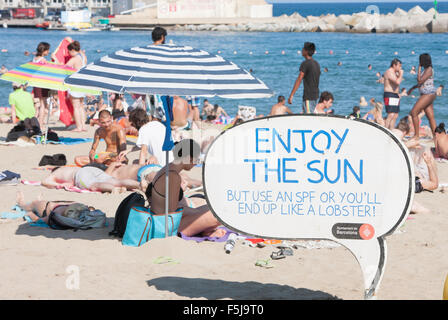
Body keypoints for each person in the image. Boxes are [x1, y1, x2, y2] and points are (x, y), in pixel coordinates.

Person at [145, 139, 225, 238]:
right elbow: (172, 214)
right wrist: (194, 213)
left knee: (211, 208)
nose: (196, 163)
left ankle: (204, 229)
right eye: (195, 159)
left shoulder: (168, 169)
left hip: (161, 220)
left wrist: (194, 212)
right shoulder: (173, 176)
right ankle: (204, 231)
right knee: (217, 216)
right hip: (166, 228)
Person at [14, 191, 99, 223]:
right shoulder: (78, 209)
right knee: (38, 203)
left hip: (45, 207)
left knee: (32, 204)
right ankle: (37, 201)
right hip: (51, 205)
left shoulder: (58, 216)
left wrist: (29, 215)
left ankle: (20, 203)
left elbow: (37, 220)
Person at [408, 53, 438, 141]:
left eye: (420, 60)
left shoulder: (428, 69)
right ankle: (436, 137)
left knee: (414, 112)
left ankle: (416, 136)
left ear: (423, 61)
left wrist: (419, 68)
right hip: (428, 94)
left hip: (428, 94)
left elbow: (420, 81)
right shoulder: (427, 70)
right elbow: (422, 83)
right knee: (430, 116)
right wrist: (412, 88)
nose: (419, 62)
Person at [288, 42, 320, 114]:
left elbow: (299, 79)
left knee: (308, 116)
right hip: (316, 95)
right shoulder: (316, 63)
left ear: (306, 51)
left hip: (309, 96)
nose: (302, 50)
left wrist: (291, 95)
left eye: (303, 49)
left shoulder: (305, 63)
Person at [65, 41, 87, 132]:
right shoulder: (83, 57)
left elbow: (64, 68)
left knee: (76, 106)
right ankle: (83, 126)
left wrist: (55, 61)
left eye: (69, 51)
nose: (68, 53)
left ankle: (78, 127)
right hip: (82, 83)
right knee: (81, 106)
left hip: (74, 83)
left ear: (73, 50)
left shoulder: (74, 59)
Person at [32, 42, 51, 130]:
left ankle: (37, 122)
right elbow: (47, 71)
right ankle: (41, 124)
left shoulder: (34, 59)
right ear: (44, 50)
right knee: (43, 104)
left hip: (36, 83)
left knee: (40, 104)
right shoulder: (43, 60)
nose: (48, 52)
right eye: (47, 50)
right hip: (42, 83)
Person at [383, 58, 403, 130]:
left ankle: (391, 130)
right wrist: (401, 74)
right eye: (399, 66)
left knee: (395, 115)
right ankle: (386, 129)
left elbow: (396, 84)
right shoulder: (389, 72)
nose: (400, 68)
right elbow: (397, 82)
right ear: (394, 65)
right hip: (389, 94)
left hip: (395, 95)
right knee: (390, 114)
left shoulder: (395, 73)